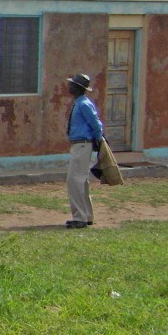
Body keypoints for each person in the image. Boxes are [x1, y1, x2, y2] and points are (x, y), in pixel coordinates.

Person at [65, 73, 104, 229]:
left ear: (77, 88)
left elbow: (96, 124)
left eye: (72, 84)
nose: (69, 86)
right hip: (80, 145)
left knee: (74, 180)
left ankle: (80, 217)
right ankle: (86, 215)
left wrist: (100, 139)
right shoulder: (80, 103)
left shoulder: (84, 104)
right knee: (81, 181)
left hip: (82, 145)